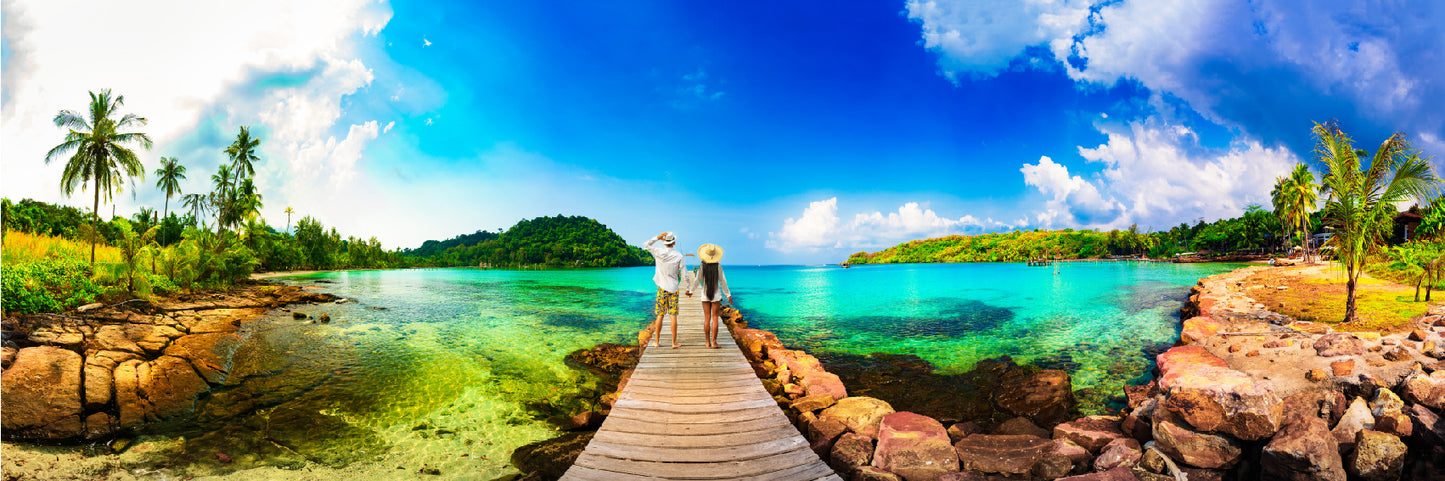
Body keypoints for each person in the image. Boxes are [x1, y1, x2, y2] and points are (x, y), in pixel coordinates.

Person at [644, 232, 687, 348]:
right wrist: (688, 288)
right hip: (673, 289)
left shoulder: (658, 252)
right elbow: (685, 274)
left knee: (660, 315)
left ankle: (656, 342)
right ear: (674, 242)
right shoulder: (679, 256)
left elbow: (646, 244)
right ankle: (674, 343)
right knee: (673, 316)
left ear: (664, 242)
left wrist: (657, 237)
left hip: (662, 288)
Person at [686, 243, 731, 349]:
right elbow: (723, 281)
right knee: (715, 318)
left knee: (707, 318)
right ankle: (714, 342)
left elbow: (697, 280)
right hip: (716, 296)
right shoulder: (718, 266)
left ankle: (707, 342)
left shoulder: (702, 265)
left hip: (705, 295)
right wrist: (728, 294)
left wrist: (691, 291)